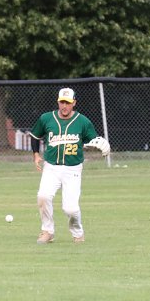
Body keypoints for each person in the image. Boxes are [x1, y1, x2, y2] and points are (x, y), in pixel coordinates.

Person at [29, 87, 109, 245]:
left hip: (73, 168)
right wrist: (36, 155)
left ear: (74, 103)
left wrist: (101, 145)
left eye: (68, 102)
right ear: (58, 102)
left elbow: (93, 141)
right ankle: (47, 231)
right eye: (62, 102)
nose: (64, 106)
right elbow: (35, 136)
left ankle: (78, 233)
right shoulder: (47, 118)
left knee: (70, 209)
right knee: (43, 196)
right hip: (51, 167)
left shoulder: (83, 121)